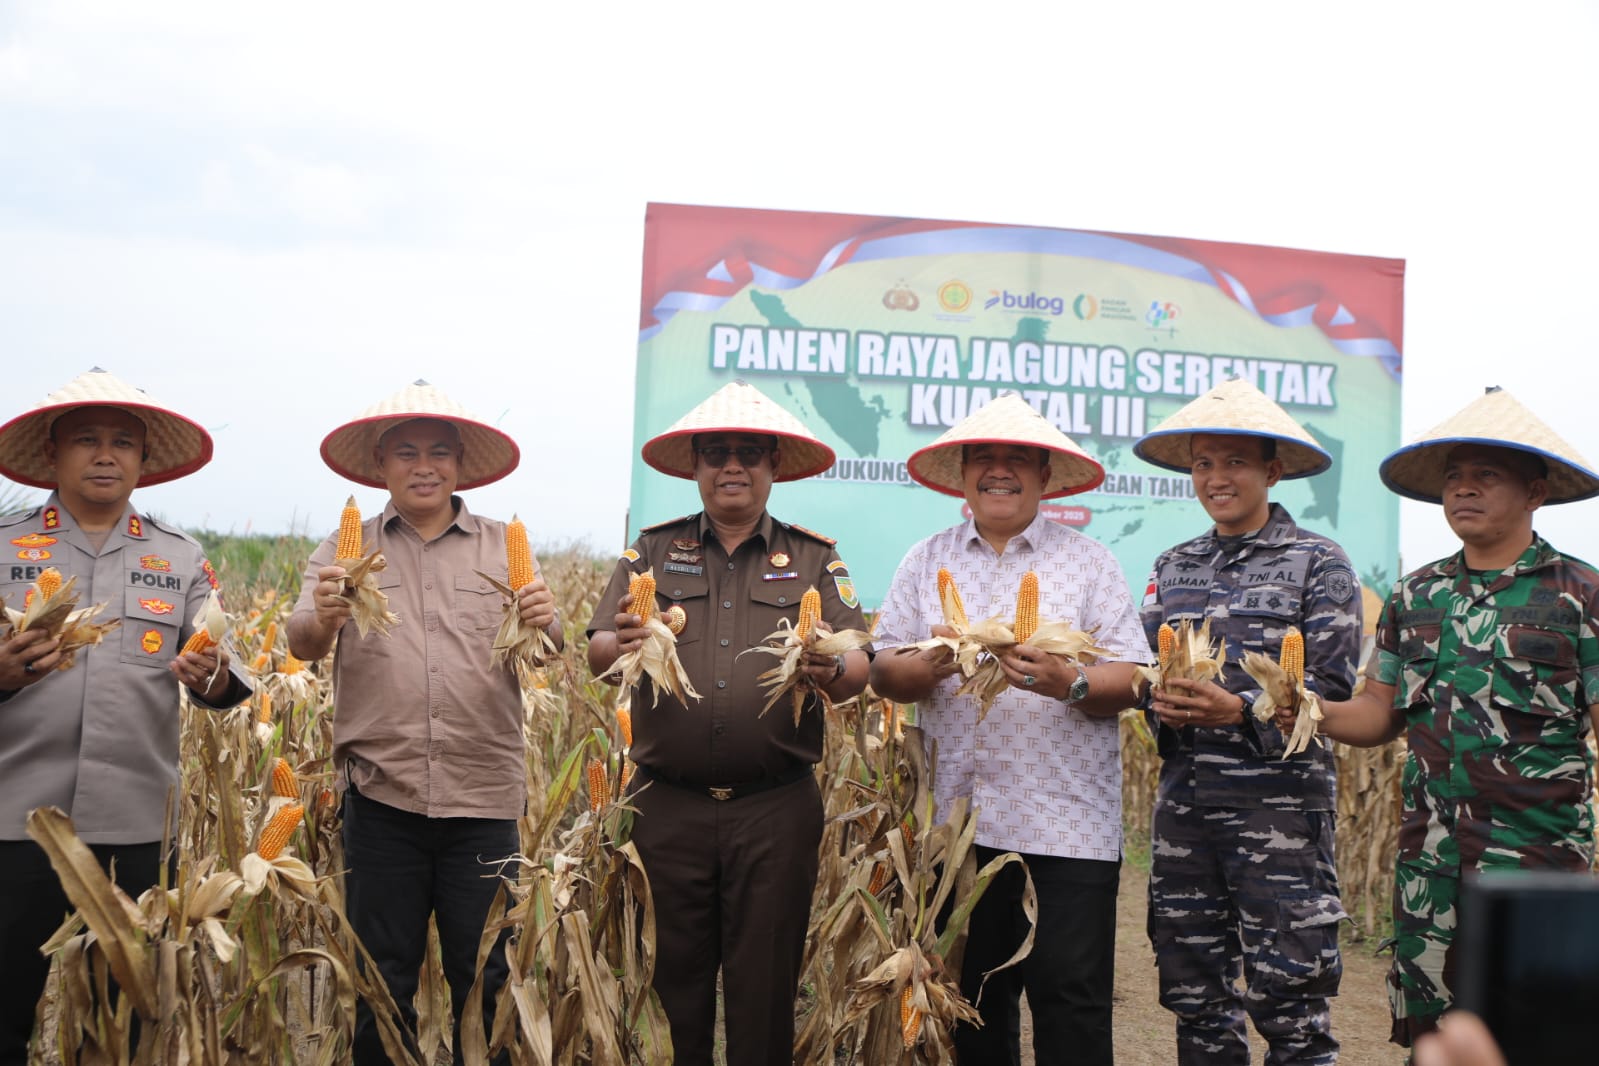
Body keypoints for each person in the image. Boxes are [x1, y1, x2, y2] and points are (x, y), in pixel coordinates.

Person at [1284, 386, 1599, 1050]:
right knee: (1433, 1042)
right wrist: (1306, 708)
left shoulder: (1579, 596)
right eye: (1454, 478)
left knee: (1532, 1039)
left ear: (1534, 492)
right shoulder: (1415, 594)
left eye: (1485, 476)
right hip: (1428, 870)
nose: (1463, 490)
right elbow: (1376, 713)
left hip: (1536, 873)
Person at [586, 380, 869, 1066]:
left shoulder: (812, 558)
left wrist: (829, 669)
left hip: (773, 808)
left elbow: (859, 661)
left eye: (748, 452)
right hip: (665, 806)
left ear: (772, 465)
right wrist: (622, 639)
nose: (732, 466)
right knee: (669, 983)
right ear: (695, 466)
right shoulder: (648, 553)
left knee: (764, 987)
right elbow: (597, 652)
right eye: (716, 453)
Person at [871, 392, 1150, 1066]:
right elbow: (883, 670)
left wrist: (1071, 683)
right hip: (957, 828)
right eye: (985, 459)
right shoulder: (924, 559)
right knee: (971, 1008)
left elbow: (1135, 677)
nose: (1000, 472)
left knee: (1071, 1004)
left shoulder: (1088, 564)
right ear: (962, 473)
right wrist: (931, 665)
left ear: (1045, 475)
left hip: (1067, 827)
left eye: (1017, 459)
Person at [288, 380, 561, 1065]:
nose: (424, 466)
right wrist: (327, 609)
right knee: (382, 981)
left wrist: (545, 620)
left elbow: (552, 650)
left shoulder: (504, 546)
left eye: (439, 452)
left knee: (488, 981)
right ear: (380, 465)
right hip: (383, 799)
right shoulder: (343, 551)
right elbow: (301, 642)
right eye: (406, 452)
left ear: (460, 465)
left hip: (483, 798)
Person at [0, 368, 251, 1065]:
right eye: (86, 440)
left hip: (134, 826)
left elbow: (225, 673)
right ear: (53, 455)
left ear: (145, 461)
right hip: (13, 822)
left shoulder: (178, 557)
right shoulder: (3, 546)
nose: (105, 455)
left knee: (118, 1021)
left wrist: (213, 676)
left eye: (122, 443)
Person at [1131, 378, 1362, 1066]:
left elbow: (1328, 690)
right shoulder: (1172, 567)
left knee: (1290, 1003)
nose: (1215, 478)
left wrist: (1240, 711)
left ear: (1271, 469)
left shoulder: (1318, 563)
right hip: (1186, 815)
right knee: (1193, 996)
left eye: (1233, 462)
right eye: (1202, 464)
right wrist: (1160, 704)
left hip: (1281, 819)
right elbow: (1148, 670)